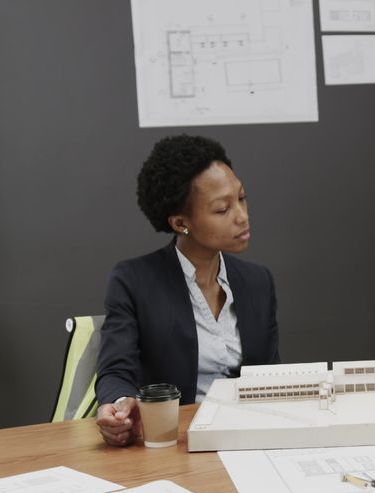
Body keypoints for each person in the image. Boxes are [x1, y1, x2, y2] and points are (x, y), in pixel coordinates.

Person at [95, 134, 279, 446]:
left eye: (242, 198)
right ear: (182, 222)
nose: (242, 216)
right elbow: (116, 369)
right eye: (222, 209)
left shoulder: (258, 281)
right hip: (174, 443)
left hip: (249, 440)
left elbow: (270, 380)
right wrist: (117, 404)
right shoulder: (134, 280)